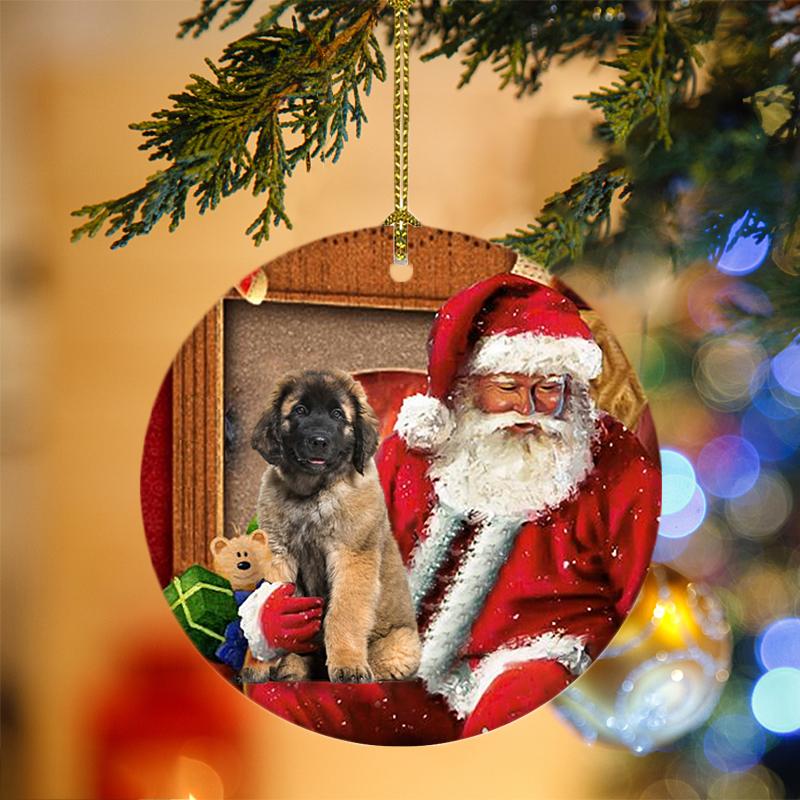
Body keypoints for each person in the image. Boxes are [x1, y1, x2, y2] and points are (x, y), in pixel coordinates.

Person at [242, 273, 661, 743]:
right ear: (468, 385)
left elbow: (645, 597)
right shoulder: (414, 453)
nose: (530, 409)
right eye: (507, 386)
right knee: (284, 704)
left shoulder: (614, 464)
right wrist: (276, 612)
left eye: (549, 387)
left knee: (519, 705)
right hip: (410, 670)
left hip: (534, 662)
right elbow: (350, 551)